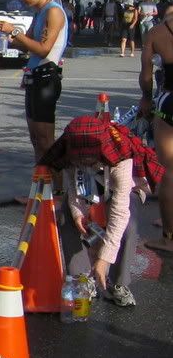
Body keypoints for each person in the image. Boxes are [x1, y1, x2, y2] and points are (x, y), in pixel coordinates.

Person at [39, 115, 164, 306]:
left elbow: (120, 212)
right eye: (80, 159)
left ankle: (117, 283)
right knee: (67, 217)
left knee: (128, 225)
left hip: (123, 187)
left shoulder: (120, 155)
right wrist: (78, 213)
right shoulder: (69, 150)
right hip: (89, 185)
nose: (84, 162)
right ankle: (82, 280)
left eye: (89, 159)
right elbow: (73, 186)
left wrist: (104, 259)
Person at [0, 0, 67, 179]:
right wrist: (7, 33)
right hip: (35, 77)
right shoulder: (40, 12)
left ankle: (57, 189)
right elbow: (28, 44)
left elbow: (43, 49)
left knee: (45, 140)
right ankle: (41, 186)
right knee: (36, 139)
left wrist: (14, 31)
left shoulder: (53, 12)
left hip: (46, 77)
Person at [141, 2, 173, 253]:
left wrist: (146, 98)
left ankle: (169, 238)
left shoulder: (157, 32)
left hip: (170, 100)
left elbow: (146, 75)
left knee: (169, 172)